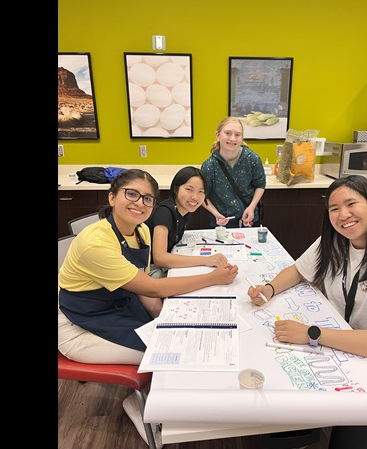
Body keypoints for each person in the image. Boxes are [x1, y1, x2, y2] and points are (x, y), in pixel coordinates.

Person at [58, 168, 239, 448]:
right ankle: (138, 405)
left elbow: (144, 288)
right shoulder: (96, 242)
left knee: (177, 333)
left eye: (148, 199)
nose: (139, 203)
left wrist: (163, 317)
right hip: (78, 324)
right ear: (112, 197)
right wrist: (214, 277)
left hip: (117, 303)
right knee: (166, 353)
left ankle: (170, 402)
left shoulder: (140, 231)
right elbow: (153, 287)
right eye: (131, 194)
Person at [246, 175, 367, 449]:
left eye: (351, 203)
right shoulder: (335, 241)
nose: (343, 215)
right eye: (334, 208)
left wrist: (312, 334)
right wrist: (268, 288)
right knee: (278, 386)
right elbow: (297, 271)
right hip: (338, 345)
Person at [144, 166, 228, 278]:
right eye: (189, 189)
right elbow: (159, 258)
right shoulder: (165, 212)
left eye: (201, 191)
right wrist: (206, 260)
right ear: (175, 189)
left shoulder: (185, 211)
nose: (195, 197)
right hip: (148, 270)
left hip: (165, 265)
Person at [200, 116, 266, 228]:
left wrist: (251, 207)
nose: (232, 139)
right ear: (217, 135)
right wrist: (216, 214)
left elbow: (260, 185)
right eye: (227, 133)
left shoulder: (252, 159)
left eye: (237, 135)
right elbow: (202, 195)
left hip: (248, 219)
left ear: (241, 138)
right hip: (222, 223)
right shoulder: (209, 166)